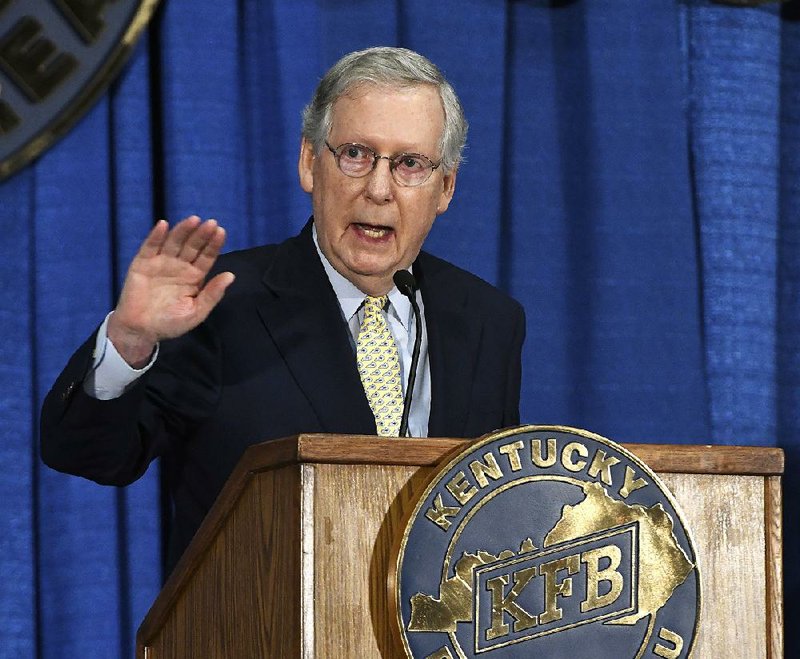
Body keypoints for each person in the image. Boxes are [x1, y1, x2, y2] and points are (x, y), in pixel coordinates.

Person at [40, 47, 526, 570]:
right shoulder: (218, 305)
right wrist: (131, 340)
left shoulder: (487, 322)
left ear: (445, 187)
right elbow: (89, 455)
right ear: (309, 163)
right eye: (356, 154)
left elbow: (491, 515)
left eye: (409, 164)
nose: (379, 189)